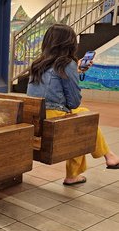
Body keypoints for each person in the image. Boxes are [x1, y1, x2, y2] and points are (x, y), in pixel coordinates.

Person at [27, 24, 119, 186]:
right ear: (69, 43)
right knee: (83, 119)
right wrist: (73, 71)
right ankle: (105, 158)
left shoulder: (37, 64)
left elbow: (52, 82)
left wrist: (76, 71)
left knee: (80, 118)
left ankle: (105, 158)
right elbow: (74, 102)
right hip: (52, 119)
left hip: (34, 119)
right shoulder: (66, 64)